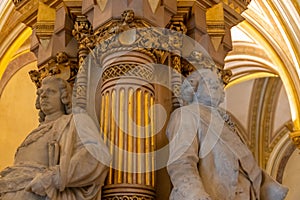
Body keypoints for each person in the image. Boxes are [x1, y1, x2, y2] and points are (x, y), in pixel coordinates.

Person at [166, 68, 288, 200]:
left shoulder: (226, 122)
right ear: (194, 88)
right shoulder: (187, 115)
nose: (218, 88)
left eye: (218, 85)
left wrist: (269, 188)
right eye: (211, 84)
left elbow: (244, 164)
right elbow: (181, 162)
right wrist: (196, 195)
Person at [0, 76, 111, 200]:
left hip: (40, 192)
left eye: (51, 91)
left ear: (64, 97)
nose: (43, 96)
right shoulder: (35, 131)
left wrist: (54, 177)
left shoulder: (75, 122)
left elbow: (96, 155)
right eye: (41, 92)